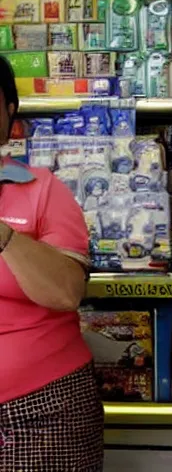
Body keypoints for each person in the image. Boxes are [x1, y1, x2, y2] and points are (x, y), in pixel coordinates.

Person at [0, 57, 103, 471]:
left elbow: (65, 292)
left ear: (10, 112)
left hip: (43, 411)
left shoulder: (43, 190)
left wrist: (5, 236)